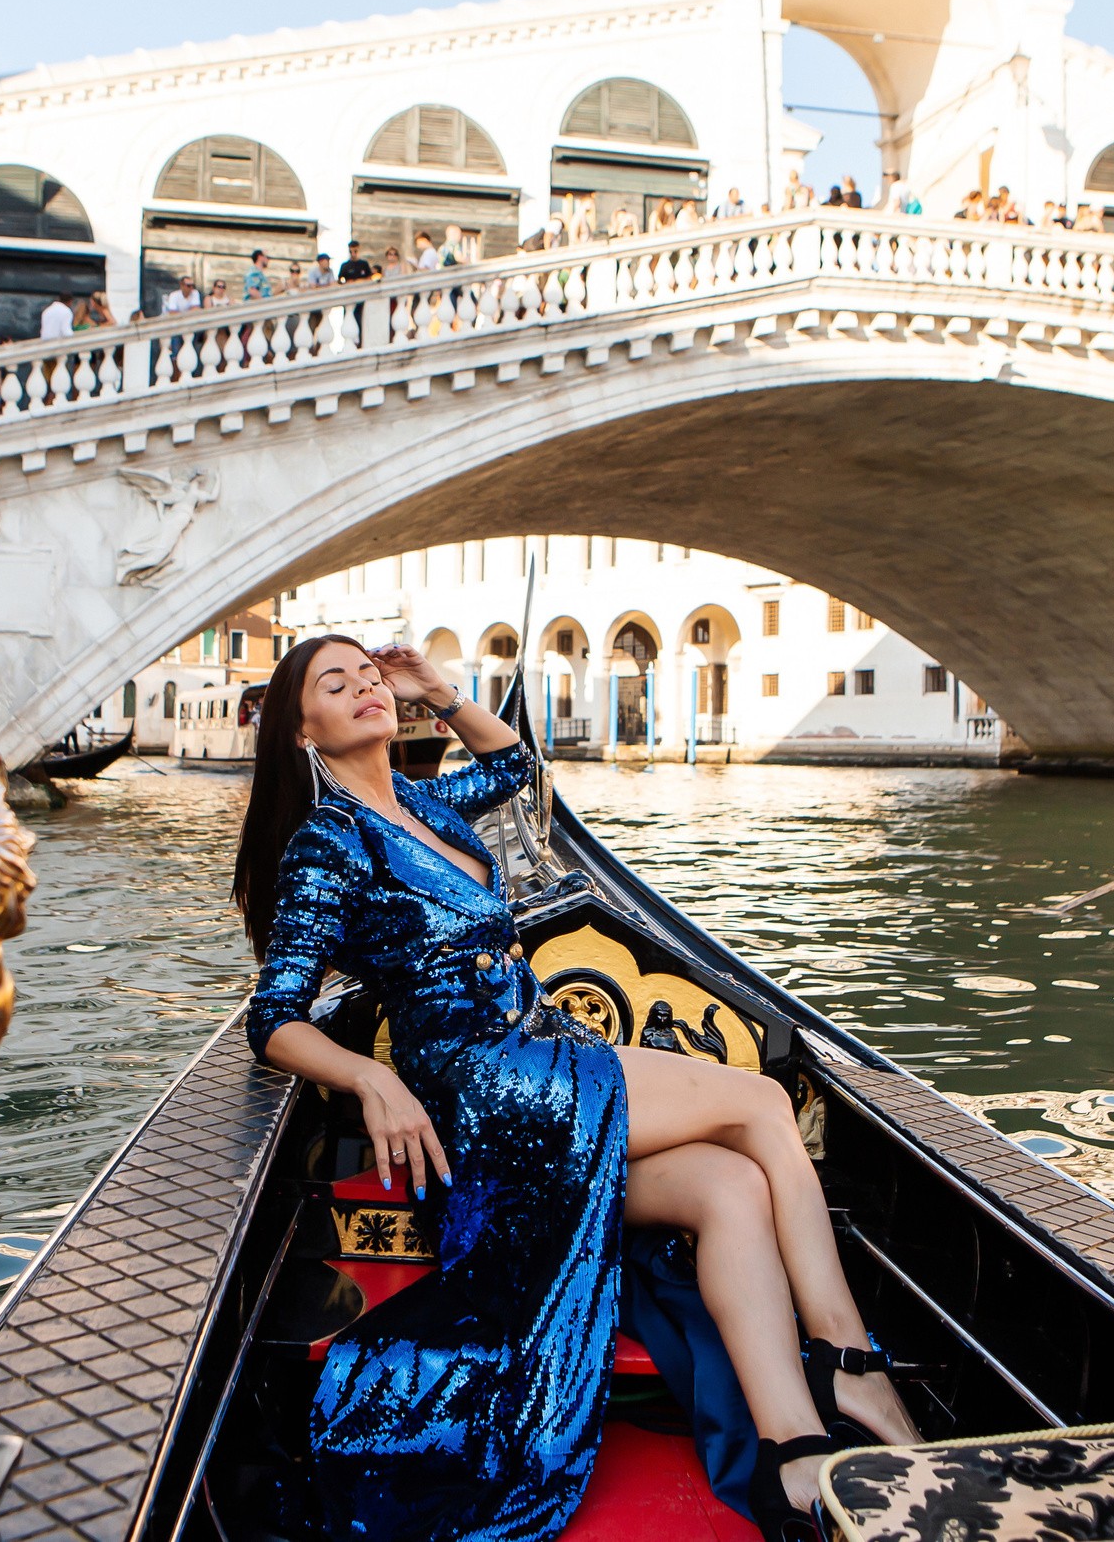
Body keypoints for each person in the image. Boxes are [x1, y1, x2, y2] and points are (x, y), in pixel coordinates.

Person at [238, 636, 921, 1540]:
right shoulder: (328, 842)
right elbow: (273, 1015)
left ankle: (792, 1448)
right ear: (299, 728)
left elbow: (516, 767)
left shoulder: (419, 802)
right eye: (339, 683)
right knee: (759, 1103)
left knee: (733, 1186)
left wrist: (439, 690)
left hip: (537, 1057)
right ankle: (851, 1359)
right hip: (488, 1086)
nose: (367, 689)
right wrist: (370, 1075)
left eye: (370, 675)